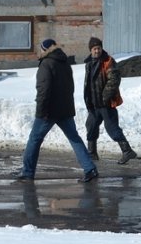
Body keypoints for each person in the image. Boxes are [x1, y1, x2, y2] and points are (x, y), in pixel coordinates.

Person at [17, 38, 98, 183]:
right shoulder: (65, 62)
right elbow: (70, 87)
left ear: (45, 50)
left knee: (34, 139)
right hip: (65, 109)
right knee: (74, 138)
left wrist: (41, 111)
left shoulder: (46, 64)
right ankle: (90, 168)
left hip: (49, 111)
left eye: (41, 49)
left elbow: (43, 90)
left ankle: (27, 172)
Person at [83, 36, 137, 164]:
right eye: (95, 49)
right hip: (94, 103)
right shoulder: (89, 63)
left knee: (112, 128)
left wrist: (105, 96)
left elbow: (114, 80)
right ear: (91, 50)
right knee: (91, 125)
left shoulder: (108, 61)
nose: (97, 51)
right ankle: (92, 153)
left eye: (99, 48)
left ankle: (127, 151)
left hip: (106, 103)